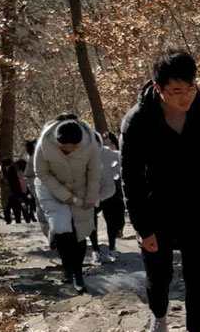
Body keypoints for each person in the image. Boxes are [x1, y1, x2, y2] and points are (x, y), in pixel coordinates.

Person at [120, 49, 200, 332]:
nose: (186, 98)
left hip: (197, 206)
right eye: (177, 92)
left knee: (199, 276)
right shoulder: (138, 121)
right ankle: (158, 316)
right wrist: (143, 228)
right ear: (159, 89)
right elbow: (130, 180)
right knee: (160, 277)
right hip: (156, 211)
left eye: (191, 88)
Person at [34, 117, 101, 294]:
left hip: (81, 188)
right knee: (62, 231)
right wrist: (65, 196)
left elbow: (94, 171)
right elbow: (41, 172)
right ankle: (67, 268)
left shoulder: (90, 143)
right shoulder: (45, 143)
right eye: (65, 147)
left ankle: (78, 274)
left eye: (73, 147)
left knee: (80, 232)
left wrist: (90, 197)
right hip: (52, 190)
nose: (69, 150)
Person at [98, 130, 125, 257]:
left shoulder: (122, 158)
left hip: (120, 194)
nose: (109, 147)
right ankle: (112, 245)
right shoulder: (100, 159)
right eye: (106, 144)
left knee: (119, 220)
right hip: (107, 195)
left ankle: (118, 229)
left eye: (111, 143)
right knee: (109, 220)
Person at [0, 157, 23, 224]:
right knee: (6, 208)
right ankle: (8, 221)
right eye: (6, 166)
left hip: (14, 191)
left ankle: (18, 221)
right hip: (5, 193)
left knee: (16, 208)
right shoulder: (0, 171)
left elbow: (20, 180)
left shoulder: (15, 169)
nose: (7, 168)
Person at [15, 158, 35, 222]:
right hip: (28, 192)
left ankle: (28, 216)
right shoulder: (27, 172)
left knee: (24, 205)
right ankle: (29, 215)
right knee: (30, 203)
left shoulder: (17, 173)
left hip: (22, 192)